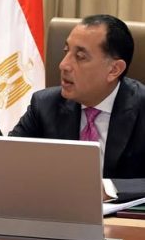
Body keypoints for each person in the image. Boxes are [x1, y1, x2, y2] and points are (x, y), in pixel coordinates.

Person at [10, 14, 145, 183]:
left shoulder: (141, 108)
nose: (63, 65)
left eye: (80, 57)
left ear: (114, 70)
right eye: (66, 51)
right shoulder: (44, 105)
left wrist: (111, 189)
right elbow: (7, 161)